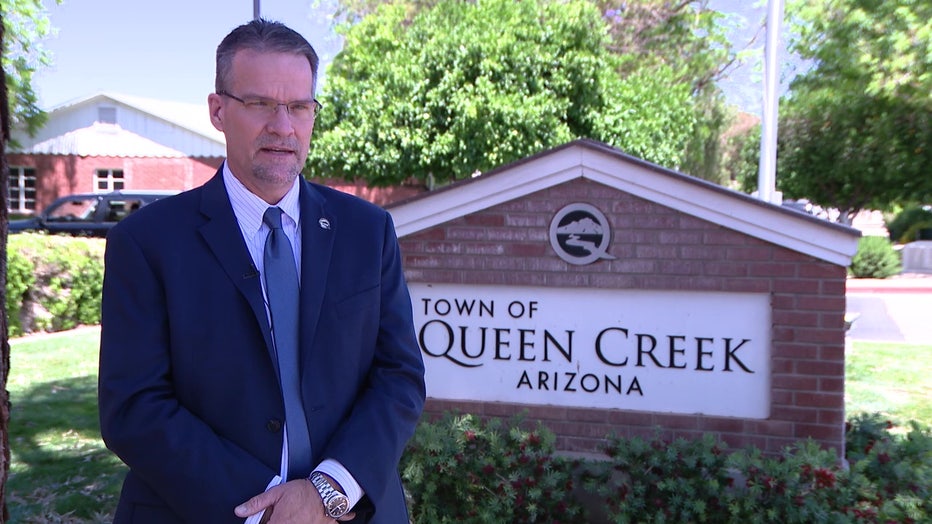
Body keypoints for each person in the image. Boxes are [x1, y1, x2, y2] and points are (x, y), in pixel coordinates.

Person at [98, 19, 426, 523]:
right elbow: (134, 408)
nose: (283, 125)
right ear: (218, 110)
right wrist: (268, 508)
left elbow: (399, 376)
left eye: (299, 106)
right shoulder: (146, 243)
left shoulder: (368, 231)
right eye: (260, 104)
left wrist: (326, 492)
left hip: (348, 510)